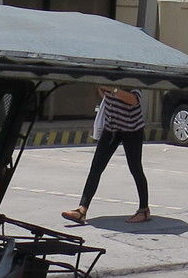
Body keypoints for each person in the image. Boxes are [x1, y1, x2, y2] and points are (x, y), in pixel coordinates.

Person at [63, 88, 150, 226]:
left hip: (132, 129)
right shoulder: (108, 78)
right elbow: (103, 92)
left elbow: (134, 100)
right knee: (96, 167)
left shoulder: (131, 80)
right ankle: (82, 209)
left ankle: (144, 210)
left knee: (135, 168)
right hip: (111, 127)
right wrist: (104, 89)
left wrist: (114, 90)